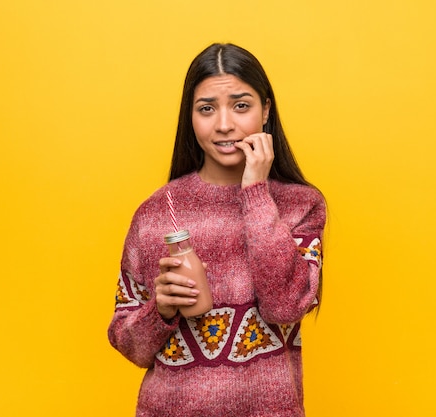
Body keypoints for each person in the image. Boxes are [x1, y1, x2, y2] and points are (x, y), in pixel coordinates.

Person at [108, 43, 326, 417]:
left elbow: (284, 307)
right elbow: (129, 345)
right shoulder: (158, 212)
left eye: (241, 105)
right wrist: (159, 310)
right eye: (206, 108)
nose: (224, 124)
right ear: (190, 117)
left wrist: (256, 191)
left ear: (266, 111)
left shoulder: (300, 206)